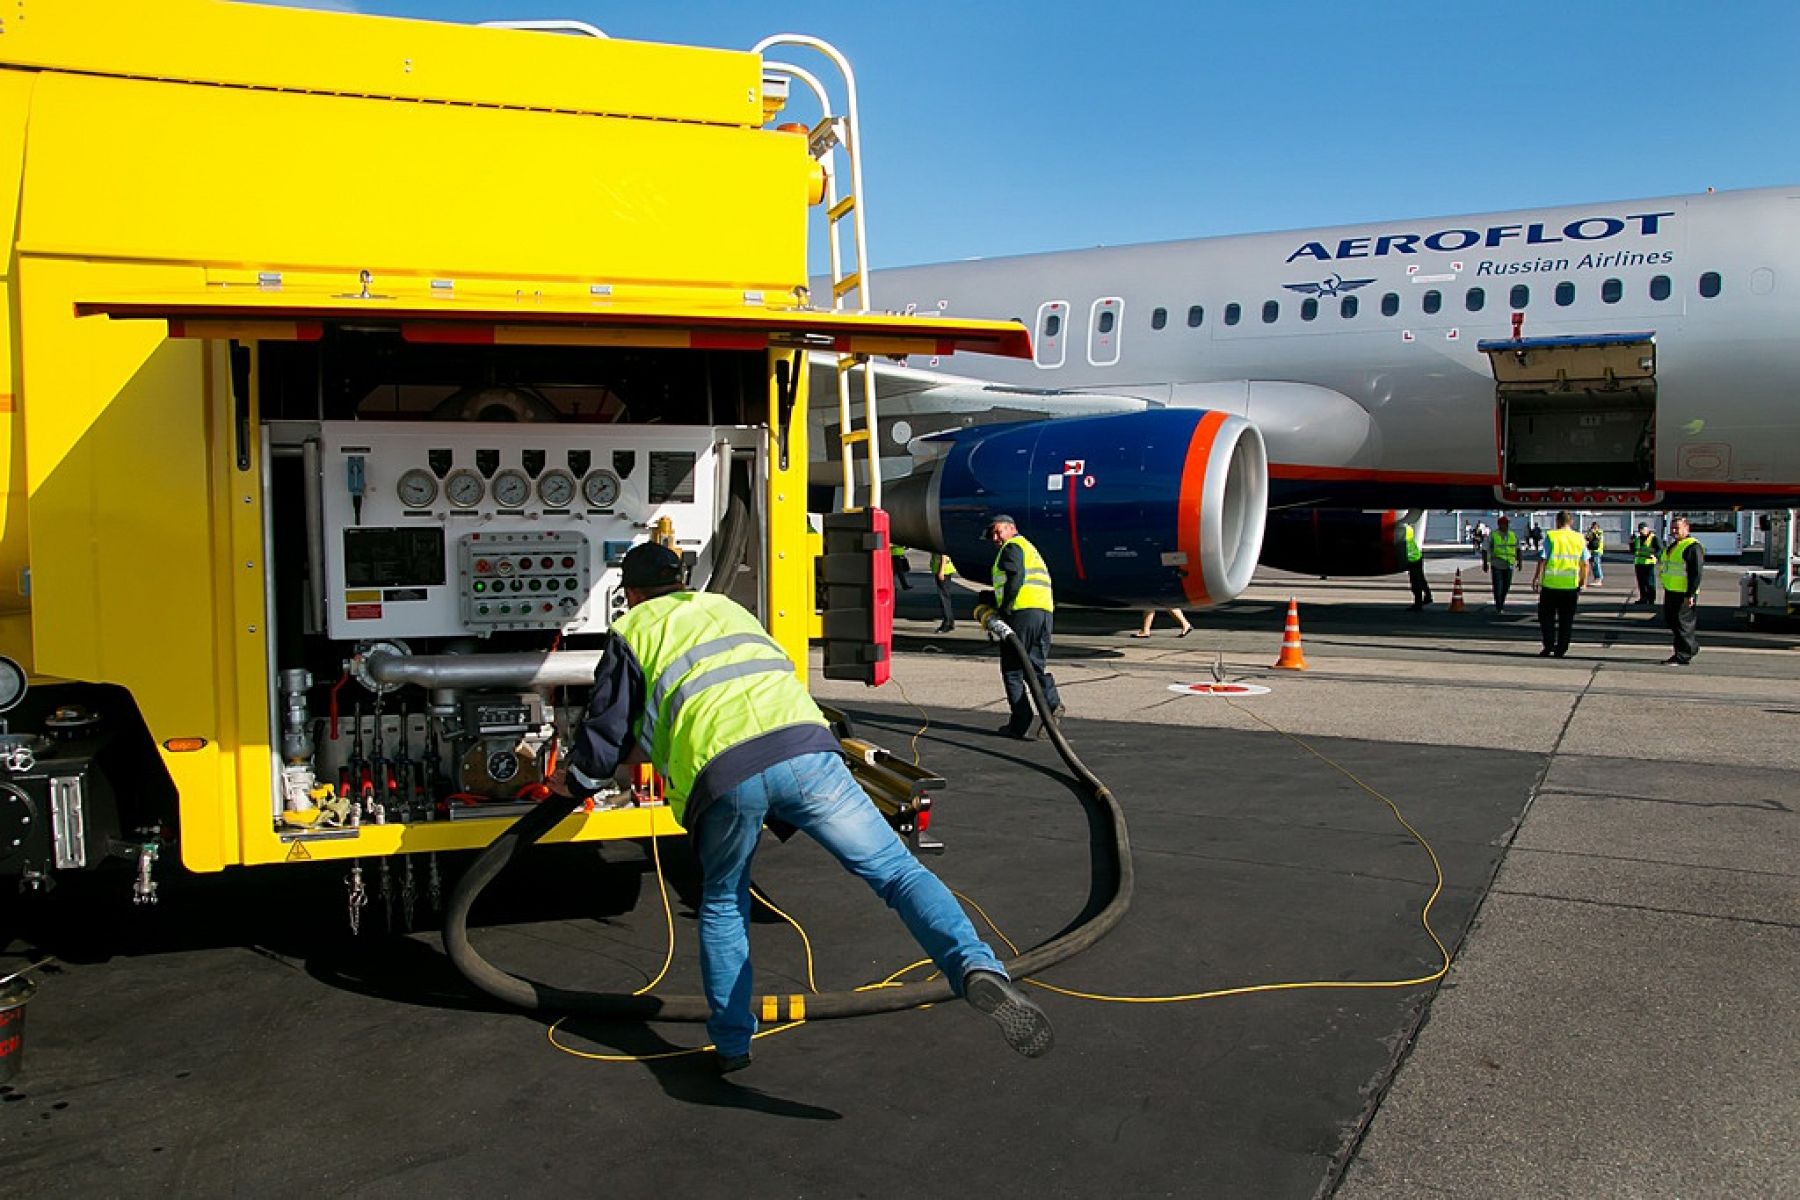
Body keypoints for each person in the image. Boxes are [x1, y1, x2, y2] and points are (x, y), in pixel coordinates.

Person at [561, 543, 1053, 1071]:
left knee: (725, 903)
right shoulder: (728, 608)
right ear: (681, 581)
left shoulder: (634, 630)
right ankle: (977, 967)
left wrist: (576, 783)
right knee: (897, 872)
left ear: (631, 594)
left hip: (725, 774)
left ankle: (731, 1043)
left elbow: (607, 731)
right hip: (807, 748)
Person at [982, 514, 1065, 739]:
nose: (996, 538)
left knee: (1012, 670)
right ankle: (1052, 703)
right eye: (993, 535)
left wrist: (1004, 609)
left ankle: (1020, 721)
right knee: (1034, 666)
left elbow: (1015, 577)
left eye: (999, 532)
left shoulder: (1012, 547)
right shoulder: (1029, 548)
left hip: (1021, 614)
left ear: (1012, 529)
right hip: (1043, 613)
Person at [1530, 510, 1589, 657]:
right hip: (1570, 586)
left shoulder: (1552, 536)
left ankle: (1549, 645)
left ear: (1557, 521)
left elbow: (1543, 559)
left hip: (1551, 585)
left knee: (1546, 617)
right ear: (1571, 522)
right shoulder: (1579, 538)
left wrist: (1537, 578)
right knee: (1566, 620)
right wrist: (1583, 581)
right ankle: (1561, 649)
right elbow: (1586, 563)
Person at [1659, 516, 1705, 665]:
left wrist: (1690, 594)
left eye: (1677, 528)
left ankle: (1683, 655)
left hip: (1683, 593)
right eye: (1672, 528)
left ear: (1687, 528)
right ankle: (1690, 647)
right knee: (1672, 621)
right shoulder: (1675, 545)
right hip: (1672, 590)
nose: (1674, 531)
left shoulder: (1692, 547)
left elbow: (1695, 573)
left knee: (1682, 624)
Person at [1482, 515, 1520, 612]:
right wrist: (1485, 563)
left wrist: (1520, 561)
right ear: (1499, 525)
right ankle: (1499, 606)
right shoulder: (1493, 535)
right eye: (1505, 524)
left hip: (1509, 564)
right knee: (1498, 587)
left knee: (1506, 586)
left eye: (1507, 524)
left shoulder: (1512, 535)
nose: (1507, 526)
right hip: (1497, 564)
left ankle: (1501, 602)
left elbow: (1518, 549)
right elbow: (1485, 549)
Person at [1402, 520, 1433, 610]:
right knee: (1421, 579)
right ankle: (1428, 596)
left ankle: (1418, 604)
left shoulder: (1402, 531)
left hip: (1412, 558)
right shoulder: (1408, 529)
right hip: (1417, 556)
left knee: (1415, 582)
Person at [1631, 522, 1661, 606]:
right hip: (1639, 563)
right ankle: (1643, 598)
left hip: (1648, 563)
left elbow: (1660, 549)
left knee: (1649, 582)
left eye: (1642, 529)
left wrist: (1656, 556)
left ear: (1647, 529)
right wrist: (1631, 542)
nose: (1641, 531)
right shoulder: (1638, 539)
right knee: (1641, 582)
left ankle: (1651, 599)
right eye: (1640, 529)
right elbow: (1633, 550)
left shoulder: (1654, 538)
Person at [930, 550, 958, 633]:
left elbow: (943, 555)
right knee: (946, 597)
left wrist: (941, 571)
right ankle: (950, 621)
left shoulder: (938, 543)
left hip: (943, 571)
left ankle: (947, 623)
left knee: (944, 598)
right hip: (944, 570)